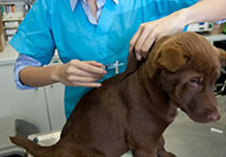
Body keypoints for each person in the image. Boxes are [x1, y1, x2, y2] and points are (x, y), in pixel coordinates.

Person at [10, 0, 226, 119]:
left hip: (147, 118)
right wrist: (56, 73)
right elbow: (23, 72)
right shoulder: (50, 7)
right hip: (89, 124)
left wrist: (182, 16)